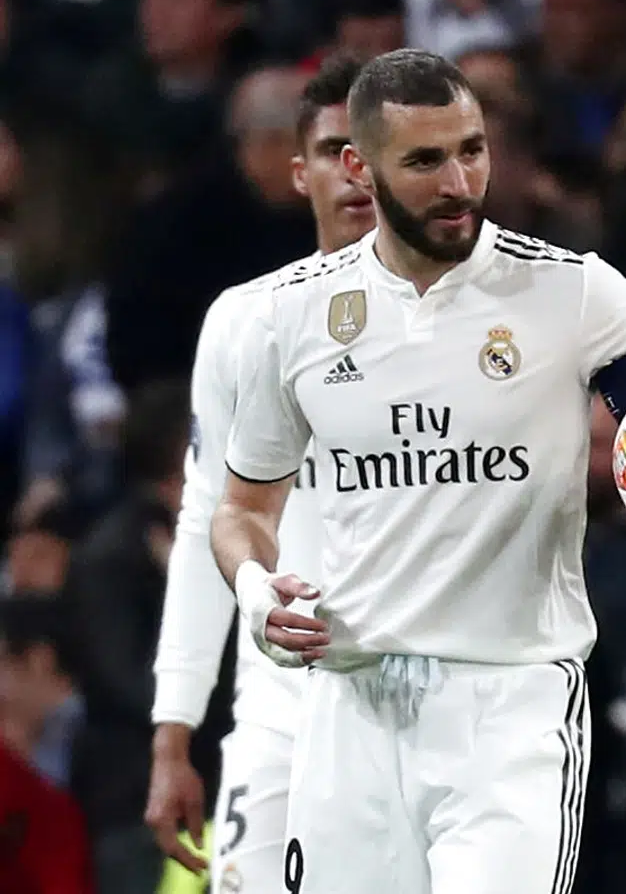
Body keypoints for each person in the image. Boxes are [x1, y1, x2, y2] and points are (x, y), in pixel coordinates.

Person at [209, 49, 626, 894]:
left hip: (509, 704)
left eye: (472, 150)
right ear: (359, 168)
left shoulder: (581, 294)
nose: (459, 183)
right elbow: (242, 509)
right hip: (349, 703)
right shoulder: (292, 314)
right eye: (425, 161)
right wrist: (256, 591)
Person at [143, 54, 377, 894]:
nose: (354, 173)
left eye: (372, 151)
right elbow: (205, 520)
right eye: (332, 151)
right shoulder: (243, 322)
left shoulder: (469, 327)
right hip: (278, 715)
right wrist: (174, 727)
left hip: (415, 716)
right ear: (297, 171)